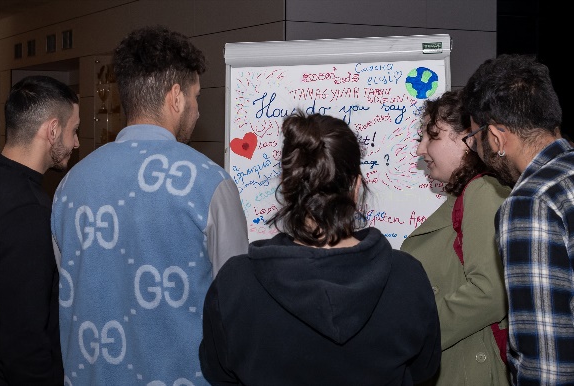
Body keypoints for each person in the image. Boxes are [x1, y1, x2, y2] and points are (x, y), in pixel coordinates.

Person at [50, 25, 249, 384]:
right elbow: (236, 309)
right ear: (176, 97)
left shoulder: (69, 186)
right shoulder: (210, 184)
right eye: (195, 97)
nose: (197, 110)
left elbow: (70, 284)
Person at [199, 111, 441, 385]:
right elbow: (425, 368)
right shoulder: (407, 277)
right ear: (356, 187)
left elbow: (219, 371)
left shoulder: (235, 283)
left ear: (287, 186)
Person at [461, 53, 573, 386]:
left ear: (495, 137)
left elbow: (548, 362)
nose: (476, 151)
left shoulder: (531, 202)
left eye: (473, 140)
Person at [400, 90, 511, 385]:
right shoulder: (467, 196)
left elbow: (491, 292)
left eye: (432, 136)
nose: (420, 149)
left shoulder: (482, 192)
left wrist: (413, 332)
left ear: (468, 137)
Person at [0, 75, 80, 384]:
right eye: (74, 131)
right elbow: (23, 340)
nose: (76, 142)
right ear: (53, 130)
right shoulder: (28, 212)